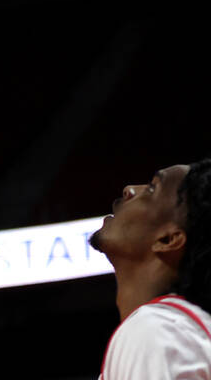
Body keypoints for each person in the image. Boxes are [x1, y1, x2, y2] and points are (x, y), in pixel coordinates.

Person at [89, 158, 211, 379]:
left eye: (153, 188)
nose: (130, 190)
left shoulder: (157, 332)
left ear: (168, 239)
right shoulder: (175, 332)